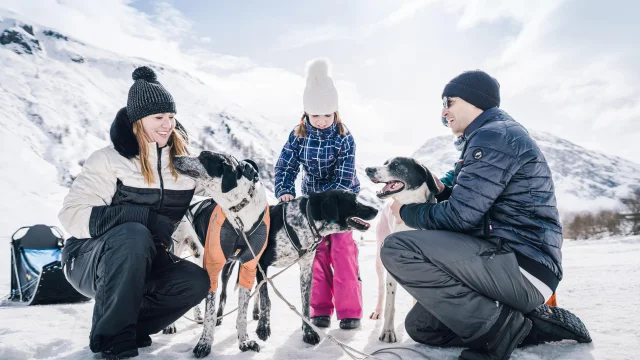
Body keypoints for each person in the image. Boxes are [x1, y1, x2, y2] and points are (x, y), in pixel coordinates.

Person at [381, 70, 591, 359]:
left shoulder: (496, 137)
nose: (444, 112)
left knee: (397, 248)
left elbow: (460, 217)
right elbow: (468, 200)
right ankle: (534, 326)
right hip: (501, 259)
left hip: (519, 263)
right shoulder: (484, 139)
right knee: (423, 327)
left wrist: (408, 211)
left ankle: (501, 331)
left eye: (449, 102)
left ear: (473, 100)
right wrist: (440, 190)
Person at [58, 66, 211, 359]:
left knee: (194, 281)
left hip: (146, 262)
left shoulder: (183, 167)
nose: (168, 125)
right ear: (138, 121)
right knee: (134, 234)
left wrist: (238, 171)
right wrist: (139, 216)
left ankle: (131, 324)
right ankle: (113, 338)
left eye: (170, 117)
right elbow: (71, 216)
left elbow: (223, 188)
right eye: (158, 118)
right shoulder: (109, 160)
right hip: (89, 260)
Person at [274, 58, 362, 330]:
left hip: (341, 202)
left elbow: (344, 176)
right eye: (315, 115)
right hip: (311, 206)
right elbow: (285, 165)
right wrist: (286, 190)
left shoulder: (344, 138)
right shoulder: (298, 136)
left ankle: (350, 312)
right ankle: (319, 309)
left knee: (342, 253)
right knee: (316, 255)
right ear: (305, 115)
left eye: (327, 115)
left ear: (336, 113)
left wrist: (331, 205)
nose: (322, 121)